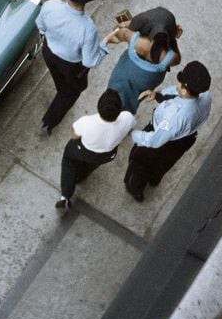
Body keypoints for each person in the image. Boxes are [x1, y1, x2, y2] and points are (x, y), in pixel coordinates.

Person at [36, 0, 116, 134]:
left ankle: (60, 90)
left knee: (59, 80)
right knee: (71, 91)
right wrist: (105, 42)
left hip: (49, 52)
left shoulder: (50, 6)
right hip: (70, 65)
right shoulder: (88, 29)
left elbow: (41, 26)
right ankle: (48, 122)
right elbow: (90, 61)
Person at [124, 61, 212, 202]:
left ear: (184, 90)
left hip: (163, 139)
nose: (177, 83)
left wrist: (130, 133)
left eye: (180, 81)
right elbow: (177, 95)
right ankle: (154, 180)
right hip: (185, 140)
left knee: (139, 161)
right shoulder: (205, 95)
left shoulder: (174, 117)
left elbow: (153, 141)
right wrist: (158, 95)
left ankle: (135, 188)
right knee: (163, 164)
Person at [56, 89, 135, 212]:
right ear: (119, 109)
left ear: (99, 106)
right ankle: (80, 177)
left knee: (69, 162)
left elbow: (74, 136)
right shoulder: (128, 118)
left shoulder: (86, 122)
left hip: (82, 150)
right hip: (106, 154)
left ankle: (65, 197)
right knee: (90, 165)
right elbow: (129, 127)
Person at [107, 27, 177, 114]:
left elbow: (119, 30)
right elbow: (176, 58)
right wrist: (173, 36)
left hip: (120, 77)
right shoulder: (168, 59)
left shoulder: (135, 39)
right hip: (146, 81)